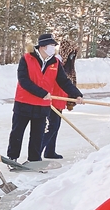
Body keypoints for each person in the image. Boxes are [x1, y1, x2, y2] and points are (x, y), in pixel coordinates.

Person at [7, 33, 83, 164]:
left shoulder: (55, 63)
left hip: (42, 106)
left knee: (38, 134)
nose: (53, 48)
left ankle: (34, 160)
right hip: (23, 103)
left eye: (54, 46)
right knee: (17, 132)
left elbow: (63, 81)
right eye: (51, 45)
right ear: (42, 46)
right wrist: (41, 93)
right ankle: (12, 158)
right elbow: (23, 80)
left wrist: (76, 94)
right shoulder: (26, 59)